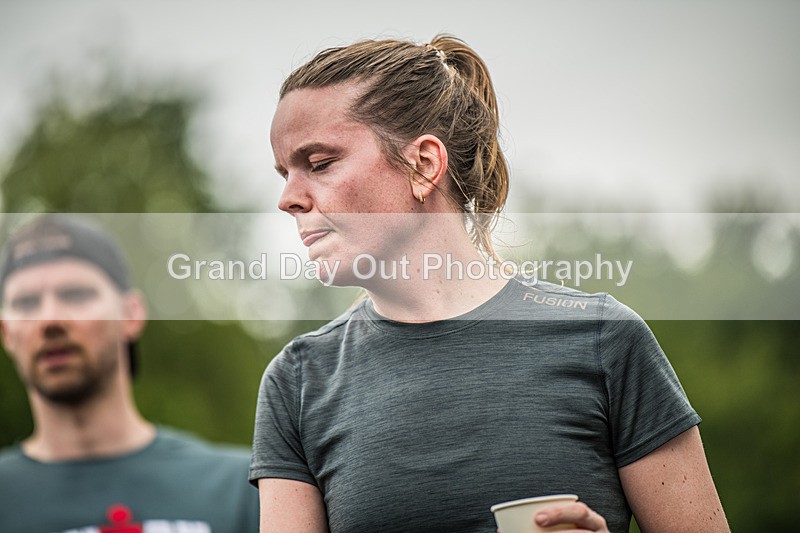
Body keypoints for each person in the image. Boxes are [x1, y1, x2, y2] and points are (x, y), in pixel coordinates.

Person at [249, 34, 730, 533]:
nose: (288, 198)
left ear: (424, 165)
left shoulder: (604, 340)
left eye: (320, 164)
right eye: (284, 172)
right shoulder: (298, 382)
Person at [0, 214, 259, 533]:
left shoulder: (243, 489)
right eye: (26, 303)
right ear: (6, 333)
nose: (50, 319)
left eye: (75, 295)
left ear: (131, 314)